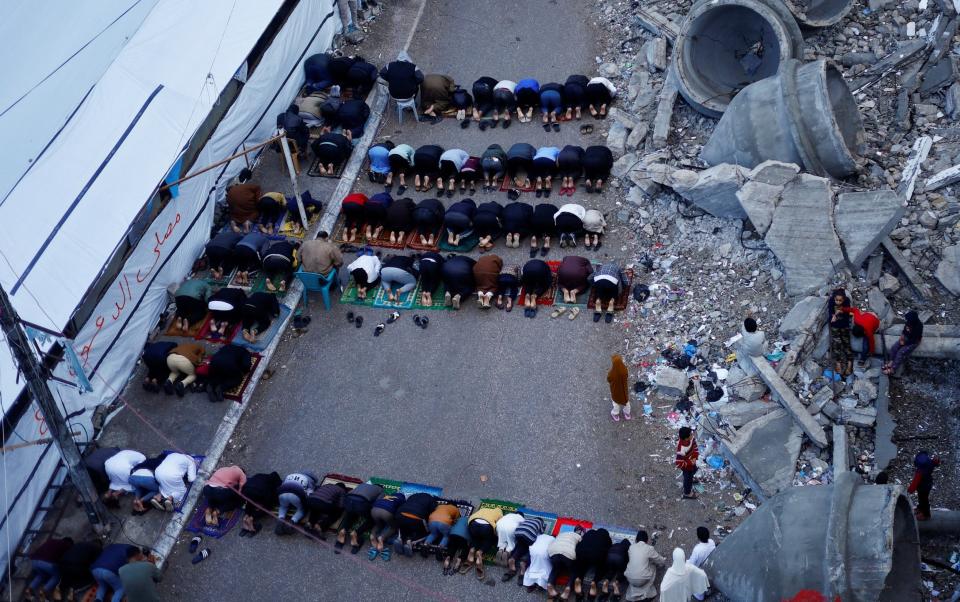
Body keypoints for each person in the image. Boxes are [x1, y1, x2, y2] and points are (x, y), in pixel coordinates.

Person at [336, 482, 384, 553]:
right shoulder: (381, 490)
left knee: (351, 514)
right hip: (361, 503)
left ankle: (343, 530)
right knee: (372, 519)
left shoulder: (362, 484)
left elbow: (350, 492)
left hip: (348, 500)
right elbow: (378, 503)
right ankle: (356, 533)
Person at [25, 536, 73, 601]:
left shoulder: (51, 541)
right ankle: (43, 591)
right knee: (57, 576)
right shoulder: (66, 545)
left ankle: (29, 590)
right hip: (47, 563)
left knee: (41, 575)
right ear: (69, 543)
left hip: (34, 561)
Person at [624, 530, 667, 601]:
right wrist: (663, 562)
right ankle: (647, 593)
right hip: (642, 579)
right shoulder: (649, 548)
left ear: (636, 540)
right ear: (647, 541)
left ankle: (634, 593)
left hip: (629, 578)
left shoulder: (631, 547)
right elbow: (660, 560)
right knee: (653, 565)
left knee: (638, 567)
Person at [503, 515, 546, 582]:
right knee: (530, 546)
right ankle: (523, 568)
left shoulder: (527, 520)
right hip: (528, 536)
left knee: (520, 544)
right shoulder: (540, 523)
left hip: (518, 533)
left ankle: (512, 561)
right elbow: (541, 533)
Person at [240, 471, 282, 536]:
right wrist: (253, 516)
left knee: (250, 502)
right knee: (267, 505)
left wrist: (247, 513)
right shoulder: (268, 491)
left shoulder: (260, 476)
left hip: (247, 490)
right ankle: (250, 523)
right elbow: (268, 507)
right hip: (259, 492)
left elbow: (249, 502)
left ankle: (245, 519)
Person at [547, 525, 584, 599]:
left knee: (555, 569)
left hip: (553, 552)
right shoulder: (579, 537)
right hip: (568, 554)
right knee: (573, 571)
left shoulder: (562, 534)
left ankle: (549, 584)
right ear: (581, 532)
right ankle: (568, 588)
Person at [575, 528, 613, 599]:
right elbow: (609, 548)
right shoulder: (606, 538)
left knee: (582, 564)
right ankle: (594, 582)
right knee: (602, 567)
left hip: (581, 553)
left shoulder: (590, 532)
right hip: (596, 556)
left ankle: (579, 578)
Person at [467, 506, 503, 579]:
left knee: (475, 537)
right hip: (486, 527)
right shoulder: (499, 512)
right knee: (489, 540)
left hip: (473, 523)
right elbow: (499, 525)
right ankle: (480, 552)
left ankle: (472, 549)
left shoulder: (483, 509)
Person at [885, 310, 924, 375]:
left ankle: (893, 369)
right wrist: (902, 336)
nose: (907, 320)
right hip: (906, 337)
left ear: (913, 320)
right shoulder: (909, 322)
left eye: (908, 319)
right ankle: (891, 361)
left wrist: (904, 343)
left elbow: (914, 340)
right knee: (894, 347)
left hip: (913, 342)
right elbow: (904, 330)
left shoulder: (919, 327)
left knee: (900, 352)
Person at [370, 490, 406, 556]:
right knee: (393, 527)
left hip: (374, 510)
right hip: (386, 512)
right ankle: (382, 538)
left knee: (378, 525)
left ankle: (372, 536)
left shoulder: (387, 496)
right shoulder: (401, 499)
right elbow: (400, 511)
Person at [828, 288, 853, 376]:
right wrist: (833, 315)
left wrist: (841, 311)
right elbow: (831, 311)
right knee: (836, 343)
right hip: (835, 325)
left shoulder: (847, 301)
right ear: (834, 298)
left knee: (846, 342)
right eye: (836, 300)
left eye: (840, 300)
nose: (838, 302)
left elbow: (848, 312)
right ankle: (838, 362)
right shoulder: (831, 300)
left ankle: (849, 363)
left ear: (843, 299)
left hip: (844, 324)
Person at [908, 450, 940, 521]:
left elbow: (915, 482)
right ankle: (920, 508)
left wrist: (910, 490)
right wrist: (936, 460)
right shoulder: (929, 463)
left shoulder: (920, 470)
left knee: (924, 500)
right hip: (928, 484)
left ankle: (926, 515)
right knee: (922, 498)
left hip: (923, 487)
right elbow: (935, 463)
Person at [601, 537, 631, 601]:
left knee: (611, 570)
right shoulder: (627, 549)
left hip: (609, 558)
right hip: (619, 559)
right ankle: (616, 582)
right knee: (622, 571)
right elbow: (627, 561)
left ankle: (606, 581)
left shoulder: (616, 544)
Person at [676, 426, 699, 500]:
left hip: (692, 461)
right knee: (688, 479)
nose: (692, 435)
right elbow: (679, 463)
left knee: (695, 469)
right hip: (687, 467)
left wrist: (695, 456)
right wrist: (689, 462)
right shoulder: (681, 449)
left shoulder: (691, 439)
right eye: (691, 434)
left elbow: (694, 446)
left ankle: (691, 477)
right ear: (686, 438)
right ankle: (687, 493)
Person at [608, 354, 631, 422]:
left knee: (616, 403)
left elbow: (609, 379)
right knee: (626, 402)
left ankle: (615, 415)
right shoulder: (624, 370)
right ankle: (627, 414)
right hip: (624, 391)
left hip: (615, 391)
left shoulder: (612, 373)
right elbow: (626, 376)